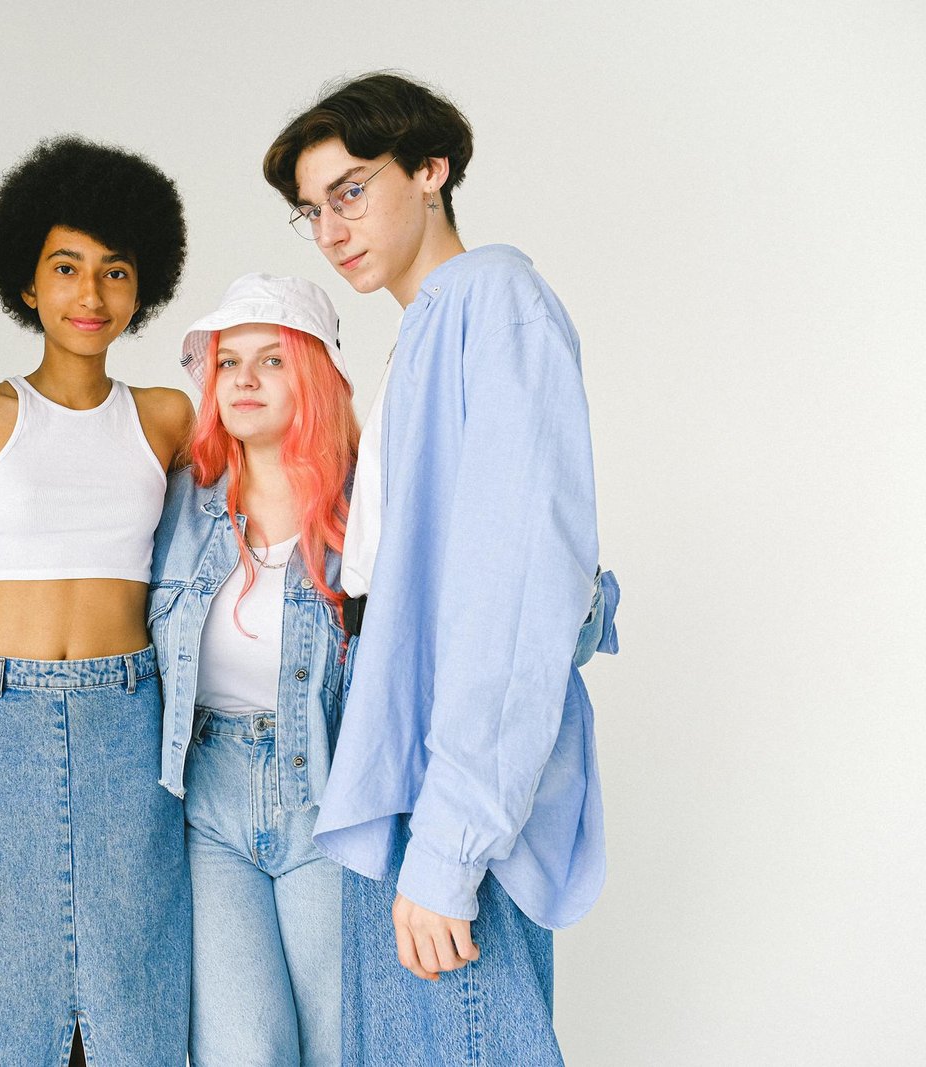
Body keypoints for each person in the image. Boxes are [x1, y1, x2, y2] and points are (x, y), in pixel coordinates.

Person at [262, 73, 621, 1065]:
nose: (331, 228)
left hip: (450, 786)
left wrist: (450, 842)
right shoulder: (423, 330)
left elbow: (517, 591)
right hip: (405, 760)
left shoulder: (494, 300)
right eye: (311, 210)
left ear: (431, 170)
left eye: (349, 190)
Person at [0, 136, 194, 1066]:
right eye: (66, 267)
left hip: (132, 723)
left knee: (137, 998)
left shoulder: (167, 418)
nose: (90, 294)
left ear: (141, 288)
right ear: (27, 283)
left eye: (115, 272)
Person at [149, 273, 357, 1066]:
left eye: (271, 360)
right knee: (243, 1049)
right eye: (227, 361)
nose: (242, 378)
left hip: (328, 800)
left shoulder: (365, 508)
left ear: (313, 376)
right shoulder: (177, 499)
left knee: (342, 1043)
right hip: (208, 801)